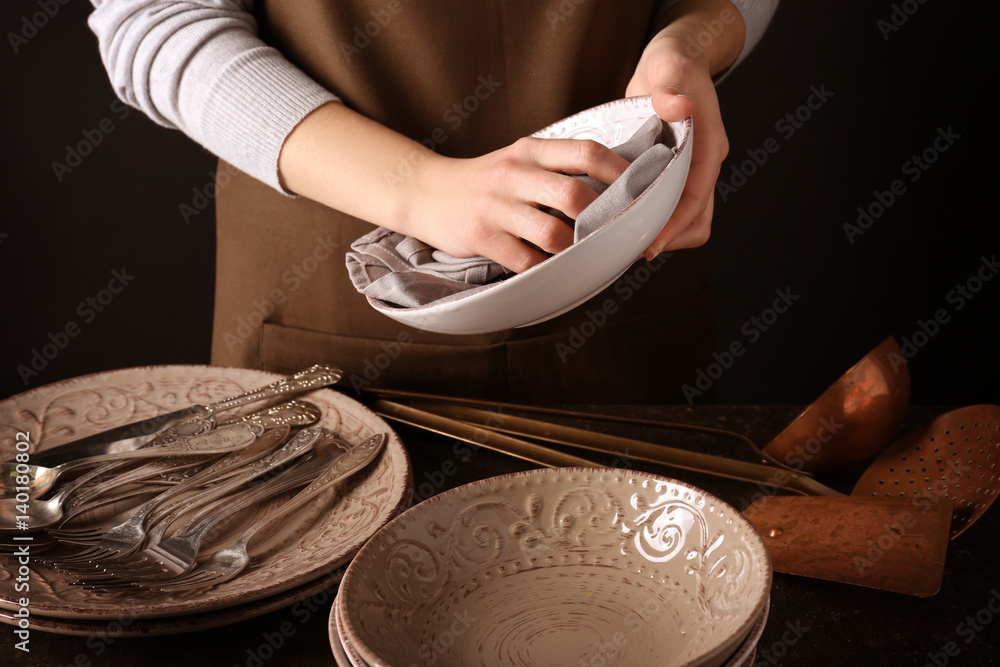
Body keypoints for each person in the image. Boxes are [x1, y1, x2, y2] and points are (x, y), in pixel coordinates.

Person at [89, 0, 779, 403]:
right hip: (321, 326)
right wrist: (416, 186)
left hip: (626, 307)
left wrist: (693, 37)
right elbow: (154, 20)